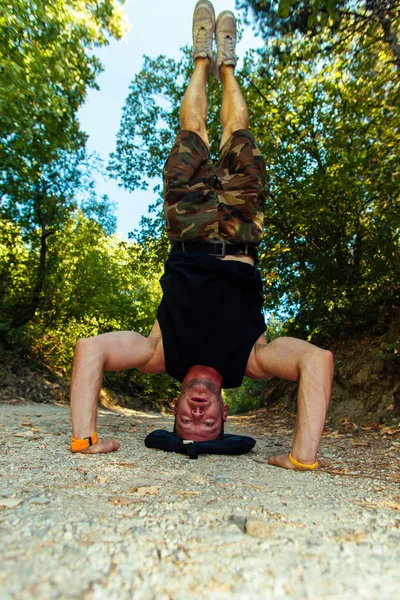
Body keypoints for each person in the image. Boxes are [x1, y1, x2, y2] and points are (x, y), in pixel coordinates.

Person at [70, 1, 334, 470]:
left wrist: (84, 439)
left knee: (193, 132)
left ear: (172, 409)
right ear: (223, 412)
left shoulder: (159, 353)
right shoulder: (249, 362)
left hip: (188, 230)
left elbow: (90, 349)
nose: (196, 415)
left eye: (185, 424)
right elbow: (317, 361)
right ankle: (227, 63)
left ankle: (199, 59)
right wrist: (303, 457)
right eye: (207, 425)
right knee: (237, 132)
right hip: (241, 233)